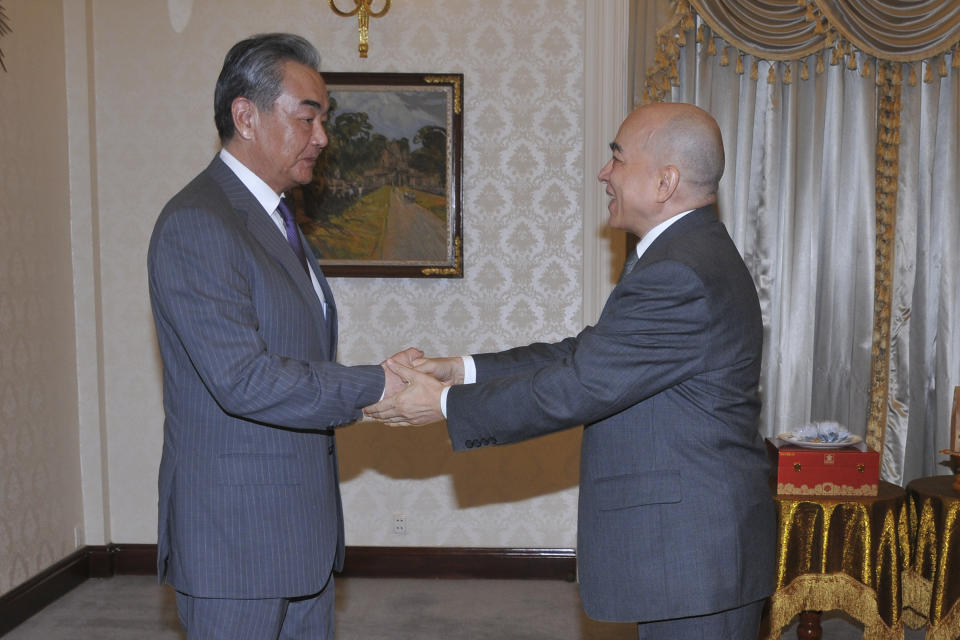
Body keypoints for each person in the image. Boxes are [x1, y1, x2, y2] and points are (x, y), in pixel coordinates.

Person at [366, 102, 777, 639]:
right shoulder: (684, 254)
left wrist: (441, 405)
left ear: (665, 181)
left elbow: (581, 384)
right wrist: (460, 371)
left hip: (694, 552)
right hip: (694, 546)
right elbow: (584, 355)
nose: (605, 173)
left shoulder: (680, 270)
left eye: (618, 158)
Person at [148, 33, 417, 639]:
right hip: (237, 541)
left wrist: (376, 378)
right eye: (308, 117)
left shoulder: (274, 219)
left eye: (325, 120)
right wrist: (376, 383)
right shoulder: (199, 223)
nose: (322, 137)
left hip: (299, 535)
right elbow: (243, 379)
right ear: (246, 115)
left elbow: (296, 354)